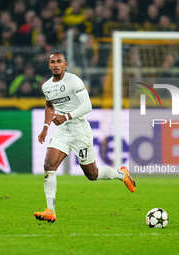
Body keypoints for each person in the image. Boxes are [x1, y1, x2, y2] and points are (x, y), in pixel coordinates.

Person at [33, 52, 136, 223]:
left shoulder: (74, 81)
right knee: (49, 165)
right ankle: (50, 211)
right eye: (52, 62)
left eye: (59, 61)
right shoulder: (47, 86)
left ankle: (120, 174)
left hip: (80, 131)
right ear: (49, 65)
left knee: (92, 174)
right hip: (62, 131)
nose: (55, 65)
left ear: (65, 65)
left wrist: (66, 117)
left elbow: (87, 106)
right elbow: (49, 105)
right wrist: (45, 127)